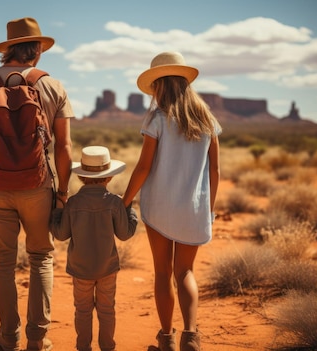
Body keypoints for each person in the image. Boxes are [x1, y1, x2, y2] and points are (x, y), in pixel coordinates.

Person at [0, 17, 74, 351]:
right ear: (37, 51)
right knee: (41, 257)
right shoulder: (53, 86)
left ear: (7, 49)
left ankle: (8, 337)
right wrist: (63, 193)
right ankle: (37, 339)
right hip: (38, 186)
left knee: (3, 262)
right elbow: (64, 147)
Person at [122, 52, 221, 351]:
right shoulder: (207, 119)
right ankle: (191, 335)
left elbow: (143, 167)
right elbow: (215, 170)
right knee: (186, 272)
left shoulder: (158, 118)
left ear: (160, 85)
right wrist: (209, 209)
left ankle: (166, 339)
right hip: (194, 209)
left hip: (160, 207)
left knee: (163, 272)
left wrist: (124, 201)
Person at [50, 145, 138, 351]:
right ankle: (107, 347)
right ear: (108, 177)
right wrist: (129, 210)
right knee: (107, 310)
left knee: (82, 310)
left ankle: (83, 347)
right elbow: (125, 234)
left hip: (80, 269)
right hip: (108, 268)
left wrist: (57, 210)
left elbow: (60, 234)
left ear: (81, 177)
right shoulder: (115, 203)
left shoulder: (73, 203)